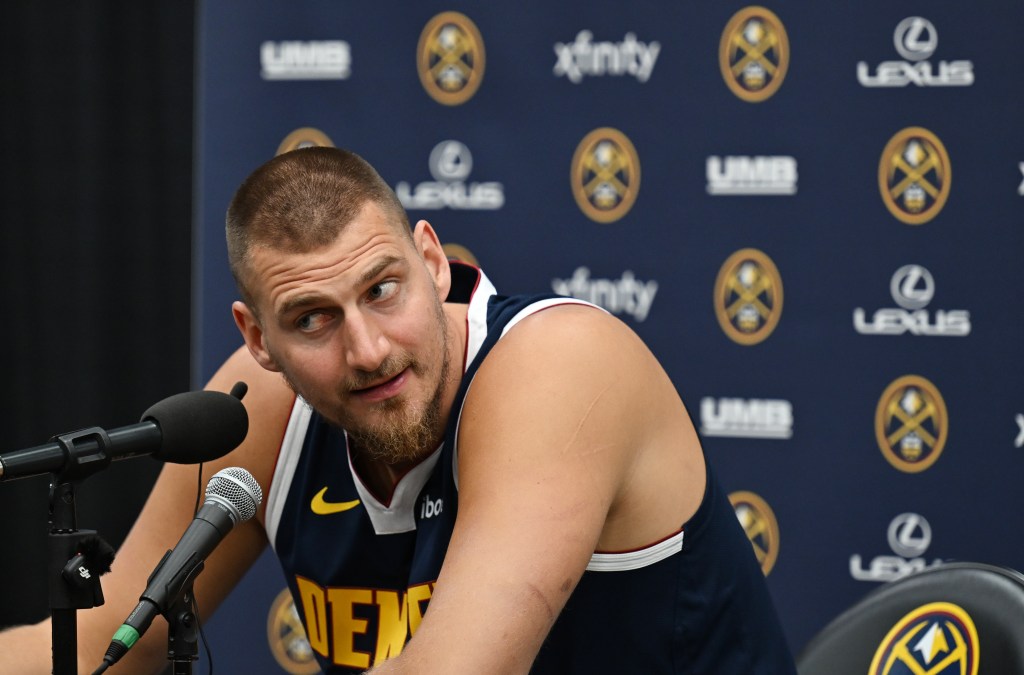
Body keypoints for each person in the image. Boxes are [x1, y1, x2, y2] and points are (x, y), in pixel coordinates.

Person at [0, 147, 796, 674]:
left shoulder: (558, 363)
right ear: (259, 338)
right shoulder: (264, 403)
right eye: (312, 318)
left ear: (432, 261)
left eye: (383, 290)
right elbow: (105, 648)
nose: (370, 349)